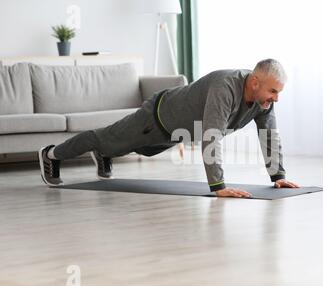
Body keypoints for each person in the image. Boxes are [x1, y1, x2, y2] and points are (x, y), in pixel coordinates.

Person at [38, 58, 300, 198]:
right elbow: (212, 135)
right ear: (254, 82)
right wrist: (218, 185)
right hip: (156, 116)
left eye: (279, 92)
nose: (276, 98)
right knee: (107, 138)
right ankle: (51, 154)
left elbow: (269, 135)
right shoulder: (225, 86)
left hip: (175, 131)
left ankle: (106, 154)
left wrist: (278, 177)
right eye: (273, 91)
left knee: (141, 149)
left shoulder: (264, 101)